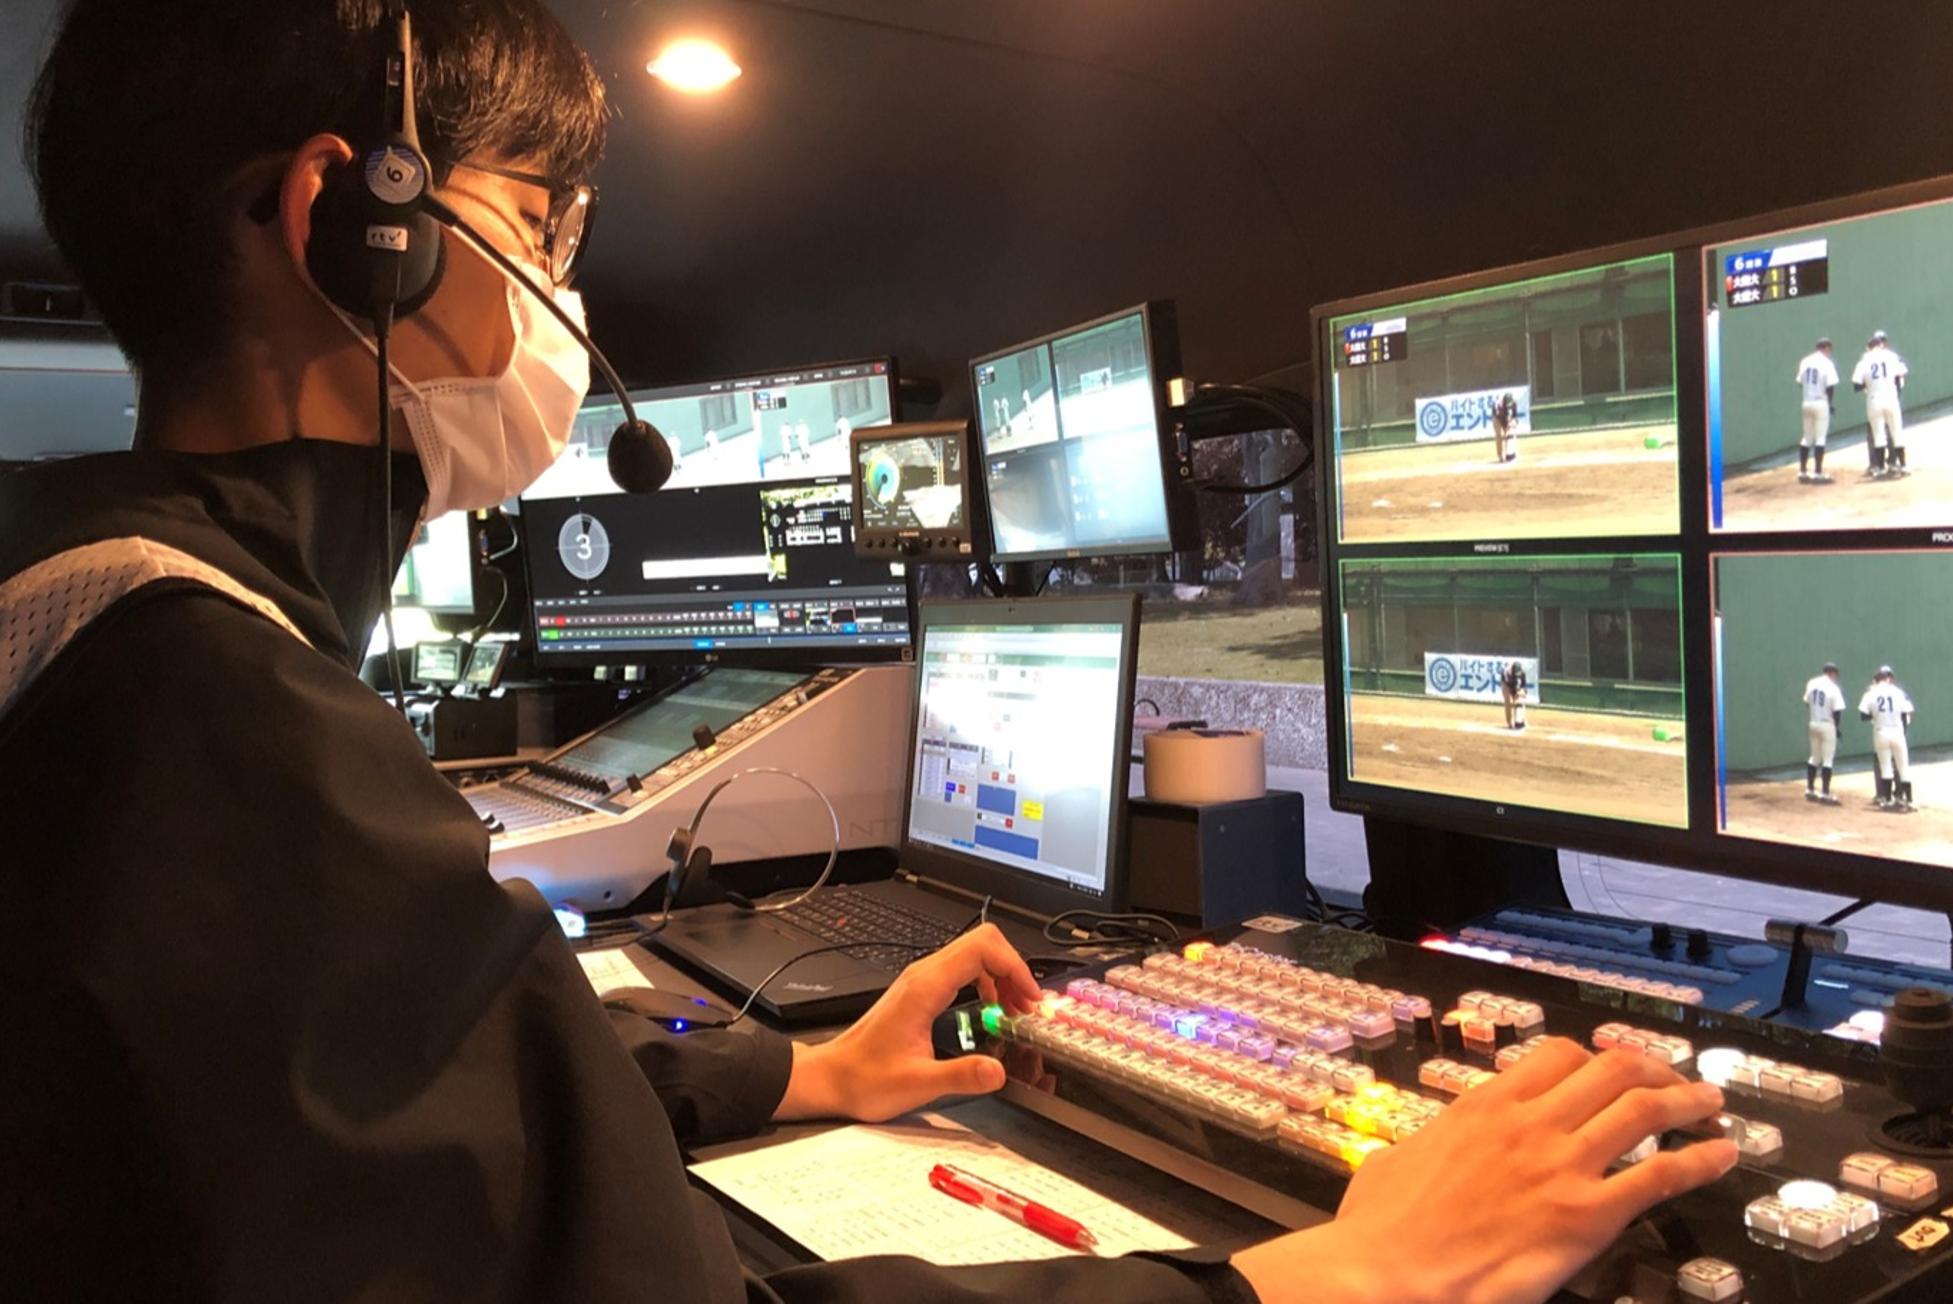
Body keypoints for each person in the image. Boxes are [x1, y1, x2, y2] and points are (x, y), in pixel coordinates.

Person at [0, 3, 1736, 1301]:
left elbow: (441, 1121)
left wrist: (806, 1068)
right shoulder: (222, 723)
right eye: (539, 227)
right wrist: (1327, 1275)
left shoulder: (87, 611)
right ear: (352, 220)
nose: (560, 301)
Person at [1851, 329, 1909, 478]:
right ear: (1881, 344)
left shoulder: (1865, 360)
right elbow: (1900, 375)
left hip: (1874, 400)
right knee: (1897, 433)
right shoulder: (1891, 356)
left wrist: (1870, 386)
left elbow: (1856, 385)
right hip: (1891, 398)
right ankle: (1902, 466)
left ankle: (1881, 469)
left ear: (1869, 347)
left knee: (1878, 435)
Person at [1858, 665, 1916, 812]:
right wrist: (1903, 731)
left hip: (1881, 731)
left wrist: (1876, 715)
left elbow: (1863, 716)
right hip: (1897, 731)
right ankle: (1909, 801)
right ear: (1888, 678)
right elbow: (1906, 713)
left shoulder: (1871, 693)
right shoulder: (1898, 692)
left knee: (1885, 768)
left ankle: (1887, 800)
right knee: (1903, 767)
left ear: (1877, 679)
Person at [1794, 337, 1838, 483]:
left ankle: (1802, 471)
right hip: (1820, 402)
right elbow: (1830, 387)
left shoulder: (1805, 361)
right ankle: (1818, 472)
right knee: (1820, 438)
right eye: (1829, 349)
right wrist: (1829, 404)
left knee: (1806, 437)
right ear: (1826, 348)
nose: (1829, 352)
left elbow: (1800, 382)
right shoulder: (1826, 363)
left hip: (1806, 402)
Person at [1801, 661, 1845, 802]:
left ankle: (1809, 789)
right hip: (1827, 724)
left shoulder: (1812, 683)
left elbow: (1807, 702)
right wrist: (1836, 728)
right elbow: (1837, 711)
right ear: (1832, 673)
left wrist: (1816, 714)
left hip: (1814, 723)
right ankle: (1825, 793)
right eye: (1835, 674)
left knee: (1814, 757)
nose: (1835, 677)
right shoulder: (1833, 687)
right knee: (1827, 760)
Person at [1491, 391, 1519, 464]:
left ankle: (1510, 452)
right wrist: (1506, 426)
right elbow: (1500, 417)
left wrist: (1511, 425)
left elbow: (1515, 417)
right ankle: (1500, 455)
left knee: (1511, 433)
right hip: (1497, 418)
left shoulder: (1514, 403)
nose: (1508, 406)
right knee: (1499, 435)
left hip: (1507, 417)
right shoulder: (1498, 405)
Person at [1501, 660, 1529, 731]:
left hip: (1517, 685)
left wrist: (1521, 693)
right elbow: (1509, 685)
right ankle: (1509, 722)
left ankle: (1520, 720)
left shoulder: (1522, 673)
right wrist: (1514, 694)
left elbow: (1524, 686)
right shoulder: (1506, 673)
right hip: (1506, 685)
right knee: (1509, 702)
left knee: (1520, 701)